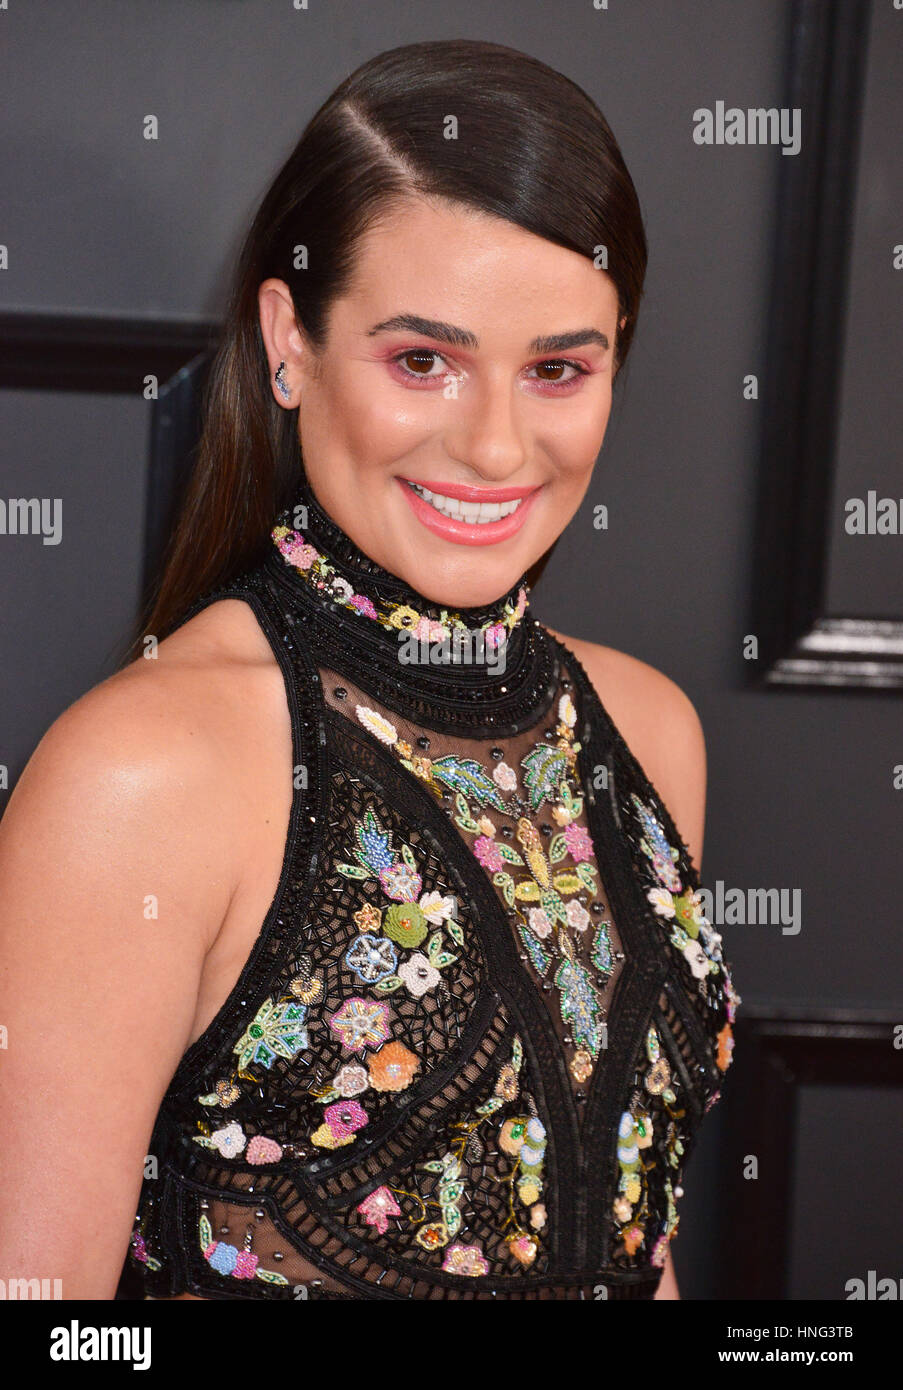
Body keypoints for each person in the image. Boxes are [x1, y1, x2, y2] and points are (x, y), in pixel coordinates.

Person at [0, 38, 739, 1301]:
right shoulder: (143, 771)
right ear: (289, 340)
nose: (498, 445)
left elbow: (631, 1241)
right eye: (422, 360)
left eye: (558, 367)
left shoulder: (647, 731)